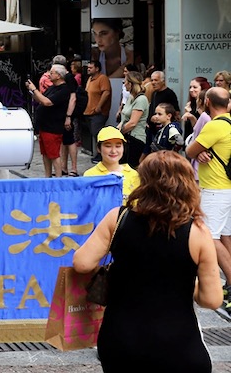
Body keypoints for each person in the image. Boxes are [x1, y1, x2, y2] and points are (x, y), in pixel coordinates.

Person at [73, 151, 222, 372]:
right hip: (178, 346)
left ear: (144, 182)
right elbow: (211, 300)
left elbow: (82, 263)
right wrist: (188, 283)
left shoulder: (118, 218)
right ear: (187, 185)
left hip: (120, 342)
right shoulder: (198, 232)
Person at [185, 87, 231, 310]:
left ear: (208, 102)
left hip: (215, 189)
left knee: (210, 236)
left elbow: (190, 151)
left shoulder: (215, 125)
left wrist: (198, 151)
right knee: (226, 235)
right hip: (228, 189)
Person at [26, 64, 73, 178]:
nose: (48, 75)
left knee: (53, 154)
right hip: (44, 126)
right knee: (45, 153)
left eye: (51, 73)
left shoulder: (64, 90)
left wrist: (34, 89)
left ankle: (58, 178)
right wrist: (32, 92)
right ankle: (47, 176)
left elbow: (47, 102)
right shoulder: (52, 87)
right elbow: (41, 99)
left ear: (58, 76)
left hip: (53, 127)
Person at [82, 127, 139, 204]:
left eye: (118, 146)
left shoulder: (134, 175)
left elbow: (137, 206)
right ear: (99, 148)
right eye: (108, 146)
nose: (113, 151)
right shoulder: (90, 175)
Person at [117, 72, 149, 168]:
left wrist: (118, 132)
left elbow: (132, 123)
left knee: (131, 167)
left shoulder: (141, 99)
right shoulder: (131, 97)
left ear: (130, 84)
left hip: (135, 138)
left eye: (125, 82)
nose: (124, 84)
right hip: (126, 137)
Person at [83, 60, 112, 162]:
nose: (88, 69)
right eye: (88, 68)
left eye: (90, 68)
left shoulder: (102, 78)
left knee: (98, 134)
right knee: (94, 134)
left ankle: (102, 155)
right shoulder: (90, 79)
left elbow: (106, 92)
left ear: (97, 68)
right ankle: (99, 154)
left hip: (98, 113)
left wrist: (99, 106)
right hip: (88, 112)